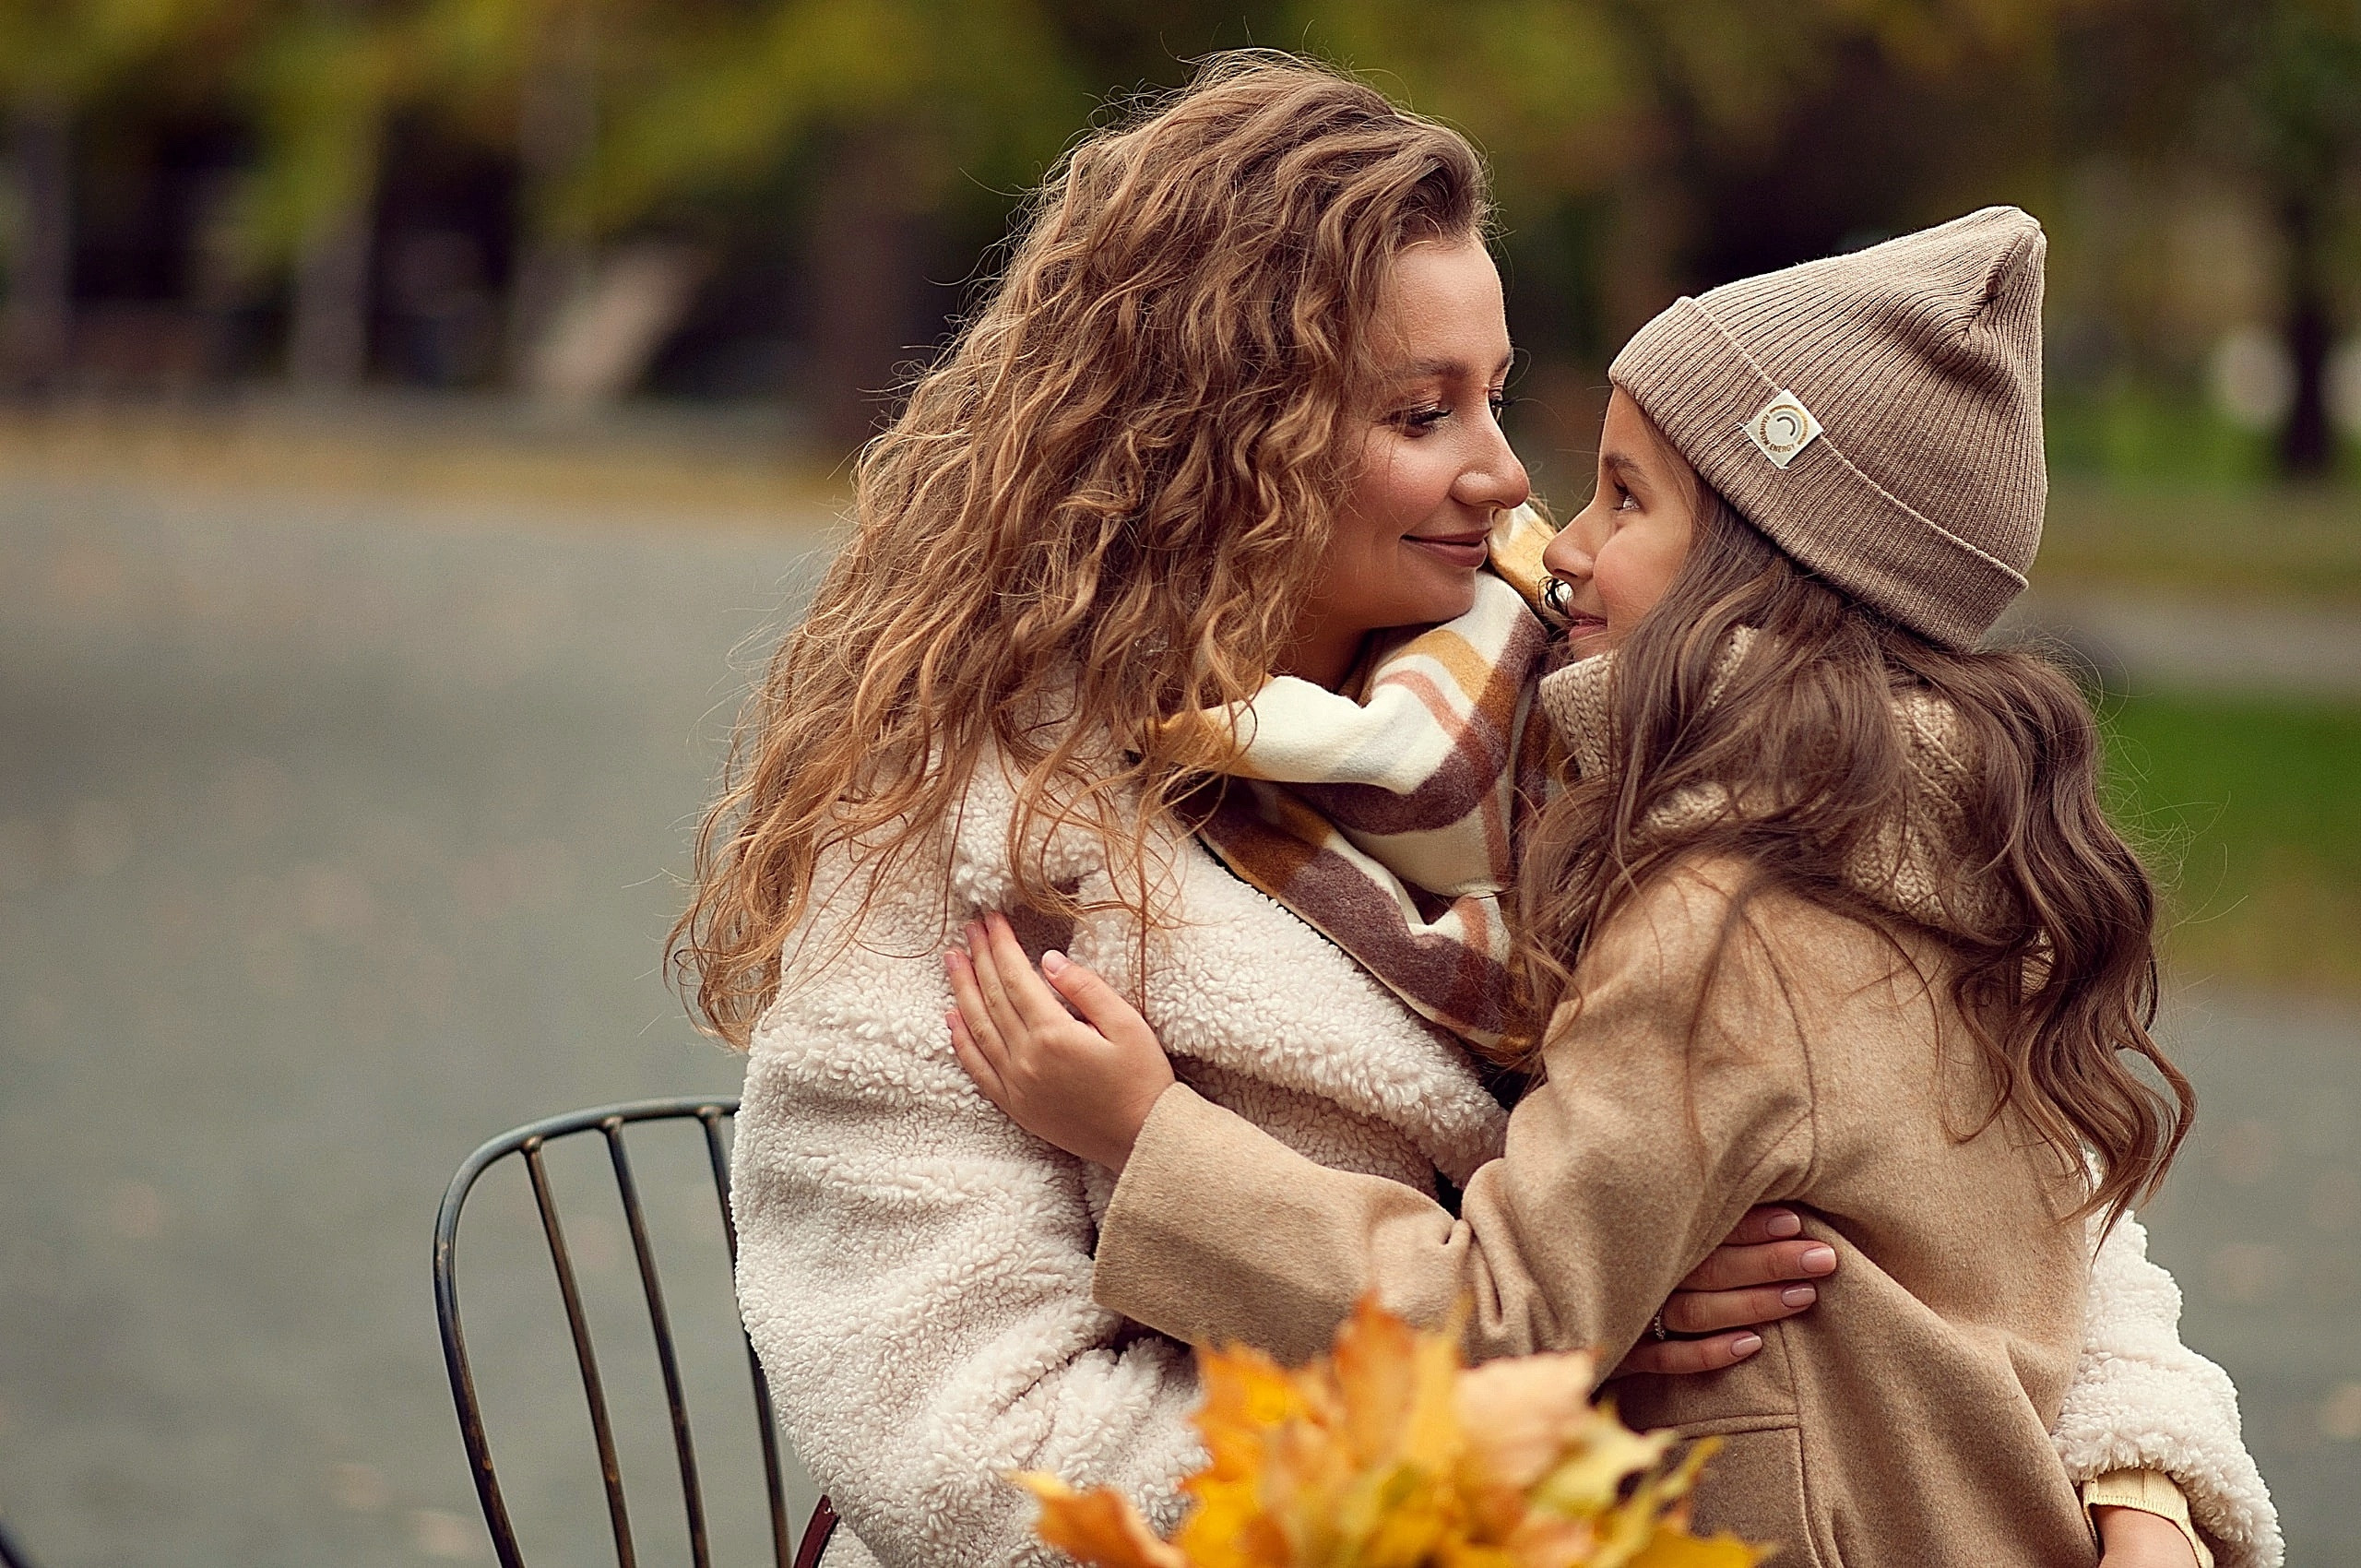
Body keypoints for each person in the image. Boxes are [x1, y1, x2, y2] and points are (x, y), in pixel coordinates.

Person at [945, 208, 2283, 1568]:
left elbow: (1499, 1324)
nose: (1558, 541)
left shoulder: (1728, 917)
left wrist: (1147, 1138)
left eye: (1627, 499)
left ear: (1772, 574)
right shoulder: (1969, 844)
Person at [678, 56, 1835, 1568]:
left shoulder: (1585, 714)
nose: (1501, 475)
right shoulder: (955, 836)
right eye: (1422, 414)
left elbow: (1961, 1138)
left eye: (1493, 394)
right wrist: (1546, 1373)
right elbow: (988, 1470)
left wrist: (2147, 1483)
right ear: (1213, 439)